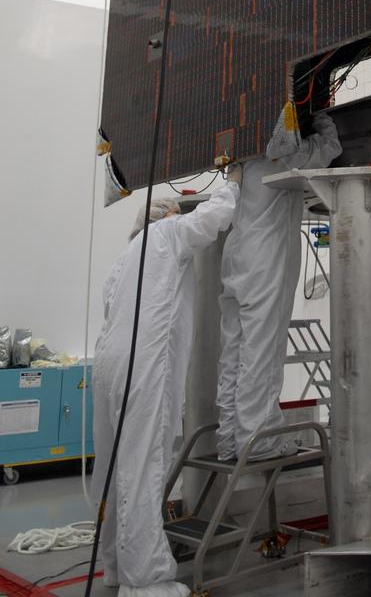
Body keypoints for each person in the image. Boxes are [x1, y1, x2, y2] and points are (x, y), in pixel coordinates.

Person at [93, 180, 240, 597]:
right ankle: (146, 579)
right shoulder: (164, 234)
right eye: (177, 213)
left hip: (108, 364)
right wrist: (232, 185)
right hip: (144, 363)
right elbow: (213, 218)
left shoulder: (124, 258)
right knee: (141, 467)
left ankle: (114, 567)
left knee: (111, 471)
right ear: (164, 217)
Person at [216, 111, 341, 461]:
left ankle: (230, 440)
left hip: (237, 261)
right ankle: (260, 441)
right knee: (261, 352)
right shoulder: (282, 153)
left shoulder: (240, 160)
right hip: (264, 264)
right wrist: (321, 115)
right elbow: (328, 147)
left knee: (234, 353)